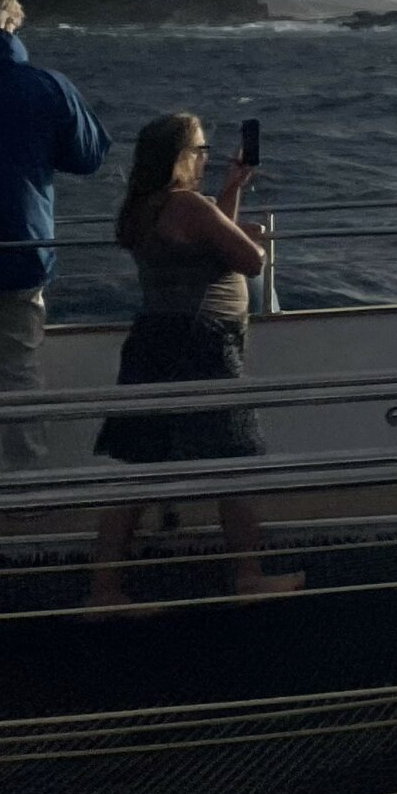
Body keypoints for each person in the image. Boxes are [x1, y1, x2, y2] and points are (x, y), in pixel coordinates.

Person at [89, 112, 301, 605]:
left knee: (137, 466)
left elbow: (207, 239)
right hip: (203, 343)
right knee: (234, 460)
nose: (206, 158)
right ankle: (247, 576)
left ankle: (104, 591)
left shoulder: (143, 205)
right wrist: (248, 237)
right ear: (181, 157)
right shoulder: (188, 203)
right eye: (202, 150)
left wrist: (231, 189)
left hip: (153, 340)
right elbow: (250, 261)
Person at [0, 0, 110, 467]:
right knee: (17, 375)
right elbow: (88, 156)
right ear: (10, 22)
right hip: (18, 250)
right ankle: (26, 483)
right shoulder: (45, 86)